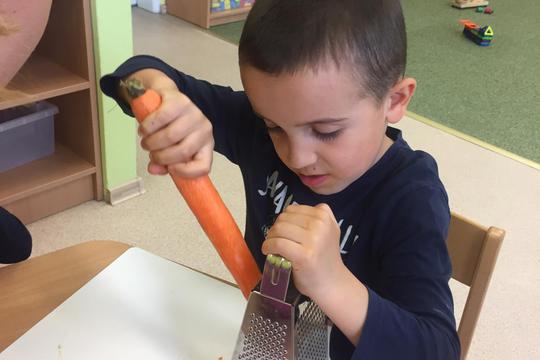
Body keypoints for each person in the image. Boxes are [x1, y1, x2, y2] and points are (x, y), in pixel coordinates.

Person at [100, 0, 460, 358]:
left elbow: (438, 350)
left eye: (326, 131)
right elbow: (130, 74)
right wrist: (161, 99)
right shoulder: (258, 129)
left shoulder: (412, 197)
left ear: (394, 100)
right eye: (274, 126)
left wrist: (332, 282)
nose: (296, 157)